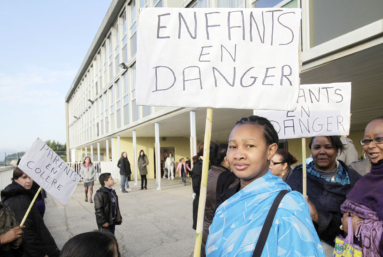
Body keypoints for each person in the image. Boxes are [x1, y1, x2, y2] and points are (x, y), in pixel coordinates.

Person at [206, 116, 324, 256]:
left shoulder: (287, 205)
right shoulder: (229, 198)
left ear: (270, 151)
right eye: (232, 146)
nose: (238, 155)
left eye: (249, 145)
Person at [286, 136, 361, 255]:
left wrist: (318, 217)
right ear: (311, 151)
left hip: (340, 248)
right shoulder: (298, 177)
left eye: (328, 147)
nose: (322, 151)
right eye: (316, 147)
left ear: (337, 151)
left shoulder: (354, 180)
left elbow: (359, 220)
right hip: (303, 247)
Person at [341, 116, 383, 256]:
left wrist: (358, 228)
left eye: (379, 139)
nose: (370, 145)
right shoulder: (365, 180)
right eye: (366, 140)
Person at [1, 168, 60, 257]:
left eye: (30, 177)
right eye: (24, 178)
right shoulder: (19, 199)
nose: (28, 181)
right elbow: (27, 233)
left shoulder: (20, 194)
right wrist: (41, 254)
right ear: (15, 179)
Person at [201, 143, 238, 257]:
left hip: (205, 226)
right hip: (220, 230)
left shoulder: (208, 174)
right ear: (225, 159)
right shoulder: (229, 178)